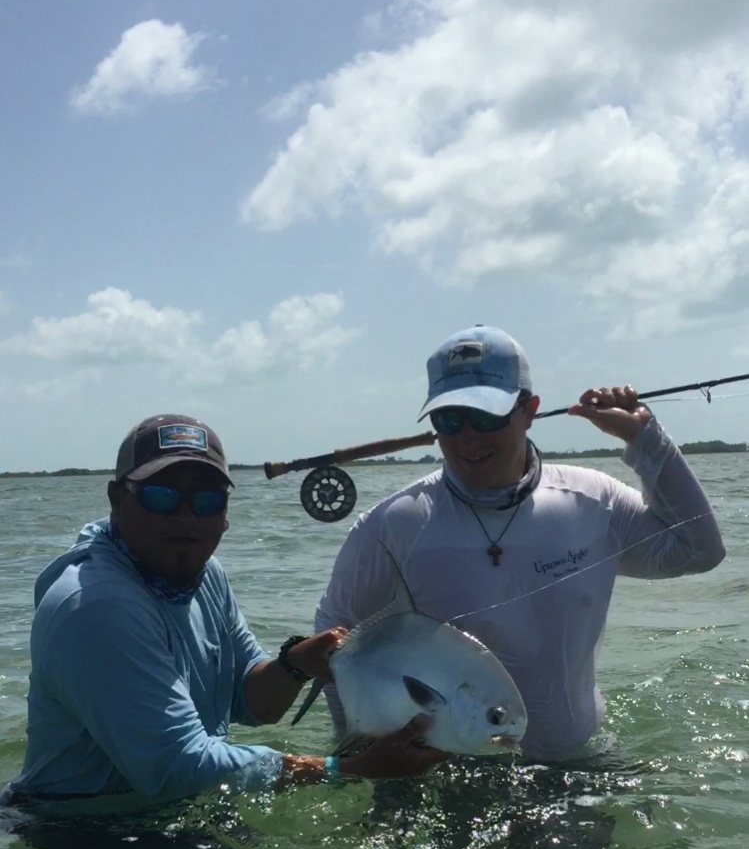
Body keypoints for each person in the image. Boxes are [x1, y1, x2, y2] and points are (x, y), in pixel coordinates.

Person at [315, 326, 726, 764]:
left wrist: (646, 439)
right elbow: (335, 642)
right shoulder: (394, 523)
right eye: (448, 419)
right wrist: (361, 749)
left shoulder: (594, 501)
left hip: (577, 763)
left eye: (487, 416)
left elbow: (699, 548)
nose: (467, 438)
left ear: (529, 409)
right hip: (442, 778)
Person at [4, 414, 444, 808]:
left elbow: (248, 701)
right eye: (160, 496)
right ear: (117, 499)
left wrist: (297, 663)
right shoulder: (95, 607)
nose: (186, 517)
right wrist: (346, 769)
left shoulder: (204, 573)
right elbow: (177, 765)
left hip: (171, 815)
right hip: (74, 842)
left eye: (207, 500)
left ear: (226, 513)